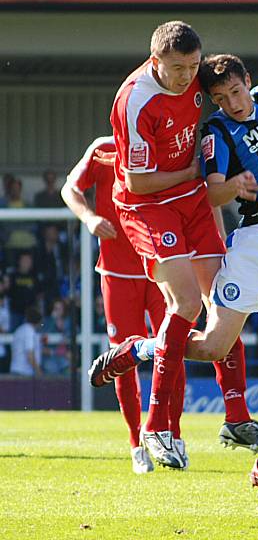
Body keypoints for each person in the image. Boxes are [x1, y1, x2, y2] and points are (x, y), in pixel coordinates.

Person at [91, 53, 258, 516]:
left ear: (250, 82)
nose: (232, 103)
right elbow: (212, 188)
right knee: (213, 346)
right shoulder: (218, 133)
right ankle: (137, 350)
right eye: (220, 98)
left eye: (236, 92)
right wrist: (233, 186)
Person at [88, 22, 258, 470]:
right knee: (187, 303)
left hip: (191, 203)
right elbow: (136, 180)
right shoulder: (135, 100)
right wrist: (194, 173)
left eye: (193, 66)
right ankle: (157, 427)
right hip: (148, 207)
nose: (186, 76)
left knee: (226, 303)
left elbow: (236, 94)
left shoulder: (198, 79)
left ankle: (235, 415)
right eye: (177, 69)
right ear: (155, 62)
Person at [61, 135, 185, 473]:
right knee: (122, 356)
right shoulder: (104, 148)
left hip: (161, 266)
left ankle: (172, 435)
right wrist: (88, 218)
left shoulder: (168, 148)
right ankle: (136, 445)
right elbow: (70, 188)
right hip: (117, 273)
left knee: (171, 348)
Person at [10, 306, 43, 376]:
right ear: (39, 321)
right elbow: (30, 355)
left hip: (16, 370)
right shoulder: (29, 331)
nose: (41, 324)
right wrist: (39, 372)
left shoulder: (20, 329)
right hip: (23, 373)